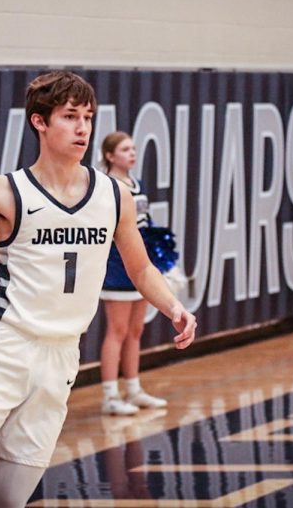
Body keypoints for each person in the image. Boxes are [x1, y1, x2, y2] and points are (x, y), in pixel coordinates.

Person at [0, 71, 197, 508]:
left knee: (8, 504)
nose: (82, 128)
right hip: (4, 350)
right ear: (39, 122)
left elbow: (140, 267)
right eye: (70, 117)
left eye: (87, 117)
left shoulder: (113, 195)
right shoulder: (4, 190)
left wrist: (173, 307)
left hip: (61, 358)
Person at [99, 132, 168, 416]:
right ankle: (109, 395)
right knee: (117, 330)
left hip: (140, 263)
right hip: (117, 265)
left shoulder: (138, 185)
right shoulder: (107, 187)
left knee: (136, 330)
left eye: (133, 148)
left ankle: (134, 388)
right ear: (110, 156)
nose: (132, 153)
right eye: (125, 149)